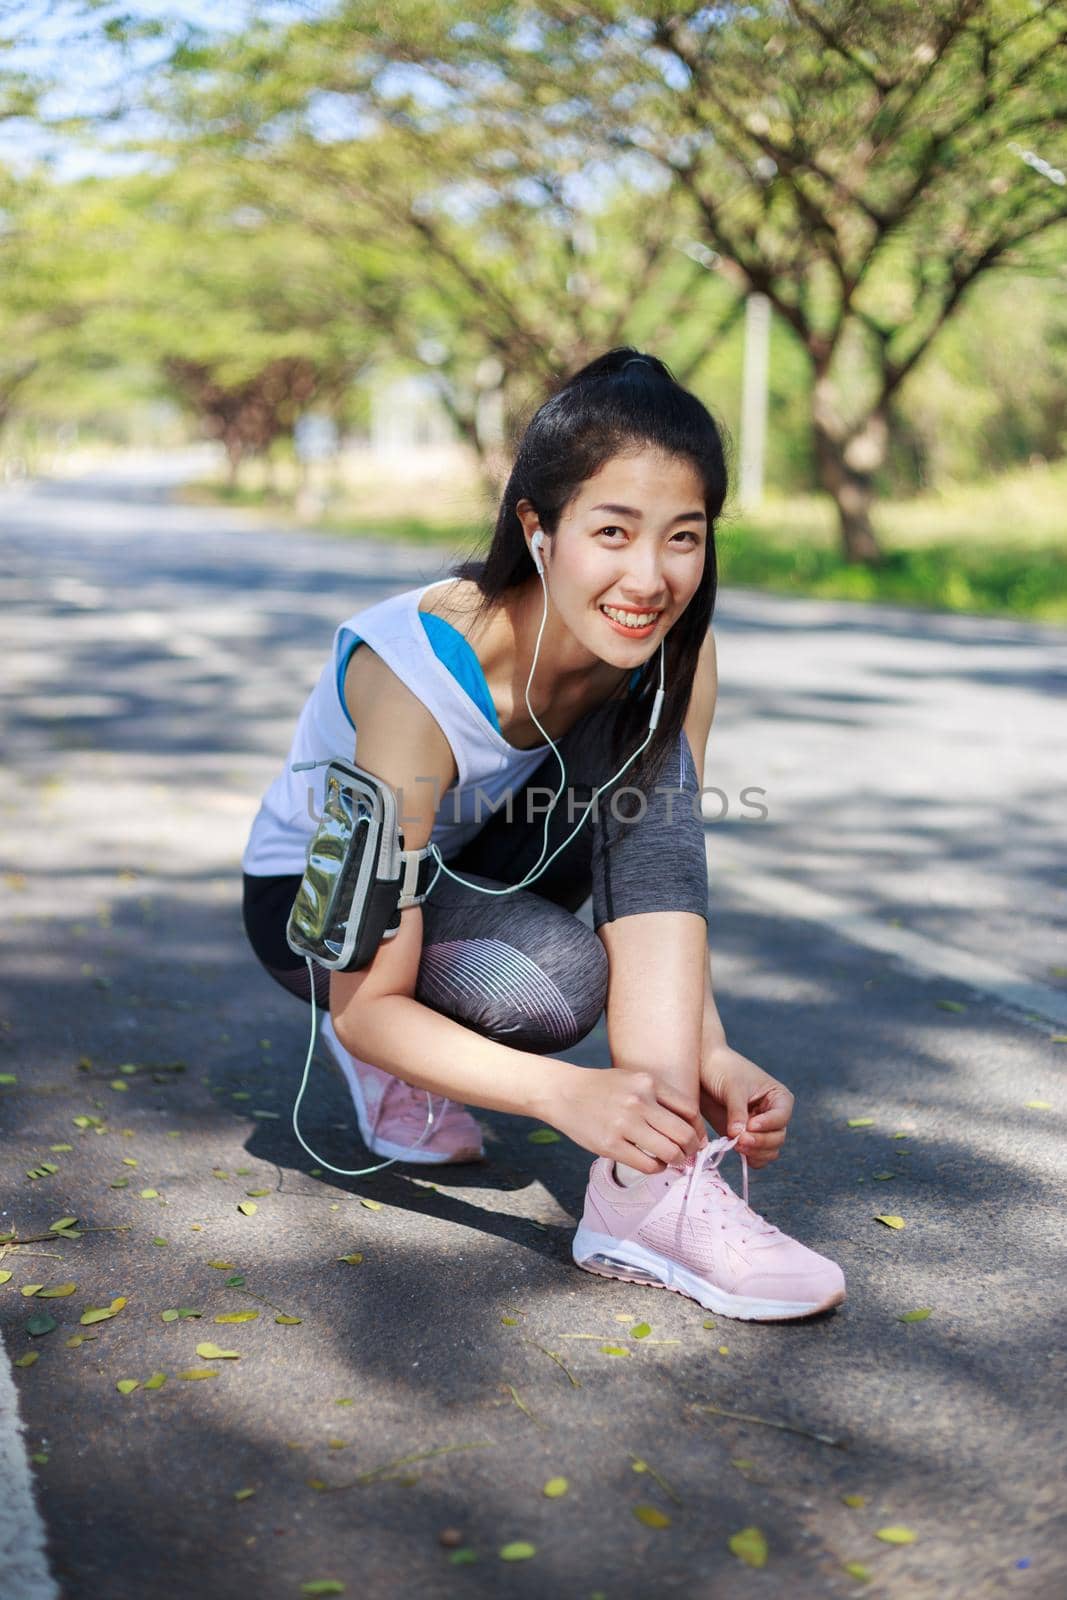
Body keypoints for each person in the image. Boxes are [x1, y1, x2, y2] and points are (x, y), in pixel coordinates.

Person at [241, 347, 845, 1322]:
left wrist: (707, 1055)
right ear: (537, 528)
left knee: (654, 774)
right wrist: (561, 1096)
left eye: (681, 537)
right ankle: (430, 1074)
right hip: (314, 911)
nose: (648, 576)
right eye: (611, 530)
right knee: (553, 985)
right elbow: (361, 1004)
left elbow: (655, 872)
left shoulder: (670, 658)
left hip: (489, 864)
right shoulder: (416, 679)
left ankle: (645, 1194)